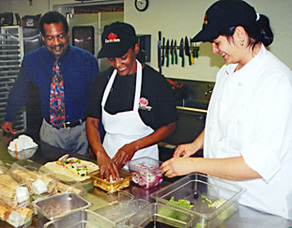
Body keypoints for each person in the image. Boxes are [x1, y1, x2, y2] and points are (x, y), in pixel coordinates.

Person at [161, 0, 292, 220]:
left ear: (240, 35)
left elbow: (257, 164)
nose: (213, 50)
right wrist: (196, 145)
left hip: (258, 206)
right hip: (221, 199)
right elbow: (219, 122)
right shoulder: (226, 72)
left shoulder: (277, 82)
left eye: (216, 42)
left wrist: (193, 165)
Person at [86, 22, 178, 181]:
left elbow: (170, 125)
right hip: (109, 157)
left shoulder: (155, 82)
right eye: (112, 59)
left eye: (123, 58)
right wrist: (100, 153)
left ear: (135, 48)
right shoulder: (102, 80)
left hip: (143, 158)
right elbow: (92, 121)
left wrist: (134, 146)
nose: (118, 64)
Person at [1, 11, 99, 157]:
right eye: (50, 38)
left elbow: (97, 101)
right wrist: (9, 118)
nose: (56, 43)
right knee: (52, 175)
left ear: (67, 34)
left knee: (83, 175)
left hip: (82, 131)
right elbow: (19, 92)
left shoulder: (87, 60)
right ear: (42, 38)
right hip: (51, 132)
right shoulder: (32, 61)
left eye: (60, 36)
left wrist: (97, 139)